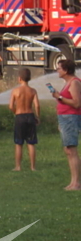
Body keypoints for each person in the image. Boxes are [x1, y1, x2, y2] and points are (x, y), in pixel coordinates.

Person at [51, 58, 81, 191]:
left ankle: (76, 183)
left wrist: (59, 97)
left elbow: (76, 103)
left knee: (71, 150)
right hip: (65, 119)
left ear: (66, 70)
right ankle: (73, 182)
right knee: (68, 150)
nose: (57, 70)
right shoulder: (68, 82)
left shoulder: (74, 83)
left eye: (59, 68)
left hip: (70, 118)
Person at [9, 68, 40, 172]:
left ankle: (18, 166)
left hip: (20, 116)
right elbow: (37, 105)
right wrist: (37, 117)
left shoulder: (15, 91)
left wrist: (15, 112)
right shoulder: (33, 91)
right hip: (30, 116)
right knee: (31, 143)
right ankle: (33, 167)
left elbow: (10, 106)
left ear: (19, 78)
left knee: (19, 143)